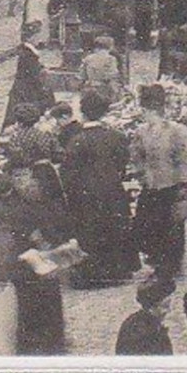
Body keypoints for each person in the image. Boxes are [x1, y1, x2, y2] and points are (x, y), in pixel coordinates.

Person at [59, 91, 140, 286]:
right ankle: (119, 270)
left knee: (91, 232)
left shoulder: (77, 141)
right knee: (114, 228)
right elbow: (123, 162)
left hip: (86, 195)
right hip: (112, 189)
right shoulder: (116, 136)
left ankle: (94, 275)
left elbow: (67, 171)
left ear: (83, 113)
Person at [5, 162, 74, 355]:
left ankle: (52, 342)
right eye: (17, 176)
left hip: (43, 256)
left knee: (49, 297)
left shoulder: (40, 197)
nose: (23, 181)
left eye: (26, 176)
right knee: (28, 304)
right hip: (24, 260)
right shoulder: (13, 201)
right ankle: (32, 345)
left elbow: (55, 221)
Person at [130, 84, 187, 276]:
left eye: (147, 110)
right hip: (151, 185)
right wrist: (142, 174)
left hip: (171, 185)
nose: (144, 114)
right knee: (148, 224)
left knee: (172, 225)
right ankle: (155, 259)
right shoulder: (141, 131)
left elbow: (183, 159)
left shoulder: (177, 130)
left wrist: (183, 183)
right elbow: (136, 155)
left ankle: (173, 263)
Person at [4, 22, 53, 131]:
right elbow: (34, 74)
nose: (39, 39)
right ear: (32, 37)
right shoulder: (27, 54)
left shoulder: (28, 52)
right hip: (26, 89)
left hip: (24, 87)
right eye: (37, 36)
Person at [114, 277, 177, 356]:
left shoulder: (141, 322)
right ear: (152, 306)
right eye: (165, 306)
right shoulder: (144, 330)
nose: (168, 310)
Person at [80, 36, 122, 102]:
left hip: (90, 88)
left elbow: (82, 75)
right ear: (110, 47)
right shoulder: (111, 59)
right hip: (104, 89)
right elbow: (112, 76)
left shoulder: (88, 58)